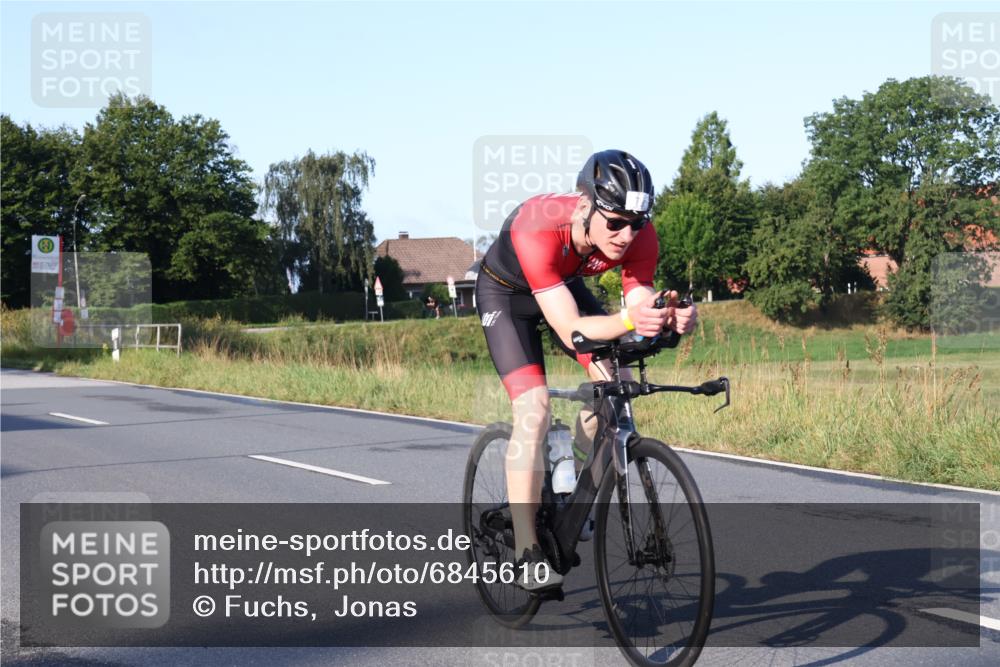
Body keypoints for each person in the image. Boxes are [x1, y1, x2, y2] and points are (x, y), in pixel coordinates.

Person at [476, 150, 698, 591]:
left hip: (562, 285)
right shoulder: (540, 226)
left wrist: (667, 317)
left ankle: (574, 483)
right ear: (585, 206)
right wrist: (632, 321)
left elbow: (636, 303)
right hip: (507, 297)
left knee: (619, 386)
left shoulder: (639, 235)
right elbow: (572, 328)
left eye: (636, 224)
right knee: (534, 409)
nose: (625, 235)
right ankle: (526, 549)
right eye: (614, 222)